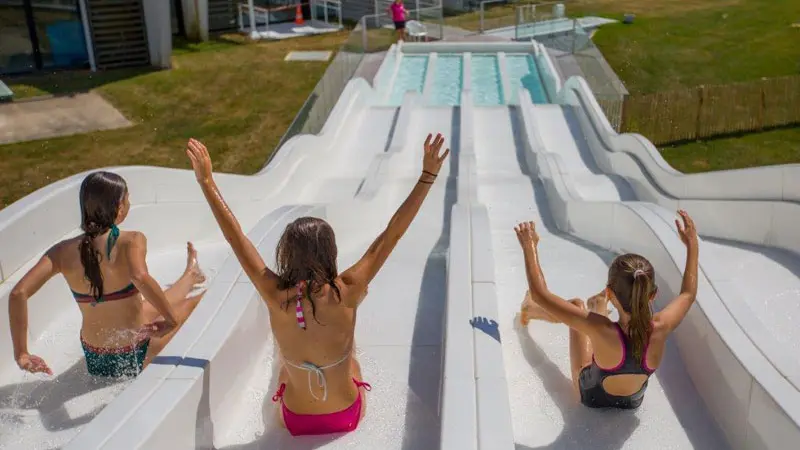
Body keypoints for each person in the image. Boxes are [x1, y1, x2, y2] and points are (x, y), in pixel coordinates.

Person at [184, 133, 449, 436]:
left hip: (296, 420)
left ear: (287, 254)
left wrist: (207, 182)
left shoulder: (274, 294)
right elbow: (392, 233)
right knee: (353, 364)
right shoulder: (348, 289)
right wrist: (428, 175)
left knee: (285, 369)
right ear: (330, 253)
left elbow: (237, 238)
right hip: (345, 416)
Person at [9, 171, 206, 378]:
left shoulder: (60, 252)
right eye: (128, 198)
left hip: (95, 358)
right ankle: (193, 282)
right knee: (196, 302)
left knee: (148, 306)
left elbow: (18, 293)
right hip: (136, 353)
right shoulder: (132, 240)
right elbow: (141, 278)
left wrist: (22, 354)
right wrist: (171, 321)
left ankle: (191, 275)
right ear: (120, 208)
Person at [516, 210, 699, 409]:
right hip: (632, 402)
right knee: (599, 329)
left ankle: (531, 310)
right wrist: (692, 244)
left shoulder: (599, 327)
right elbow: (688, 294)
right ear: (653, 294)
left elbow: (540, 295)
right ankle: (599, 305)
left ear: (610, 292)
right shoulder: (662, 326)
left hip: (592, 397)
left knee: (578, 306)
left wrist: (529, 245)